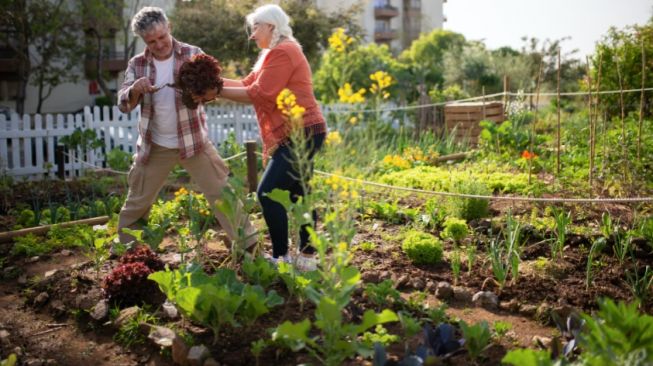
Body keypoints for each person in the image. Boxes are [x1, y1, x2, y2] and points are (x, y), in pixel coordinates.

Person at [187, 4, 326, 271]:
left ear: (271, 26)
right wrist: (211, 82)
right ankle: (307, 257)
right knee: (300, 194)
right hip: (305, 131)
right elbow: (247, 83)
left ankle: (281, 258)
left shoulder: (284, 51)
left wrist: (214, 91)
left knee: (268, 192)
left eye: (255, 28)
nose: (252, 35)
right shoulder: (273, 53)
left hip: (302, 132)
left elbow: (261, 93)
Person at [116, 6, 256, 252]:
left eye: (162, 37)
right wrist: (135, 90)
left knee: (223, 194)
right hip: (155, 146)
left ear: (169, 27)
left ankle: (251, 249)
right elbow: (123, 104)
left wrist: (204, 92)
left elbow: (212, 90)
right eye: (151, 41)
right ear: (143, 40)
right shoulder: (137, 64)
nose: (159, 44)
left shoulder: (193, 54)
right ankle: (128, 256)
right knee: (137, 203)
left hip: (194, 142)